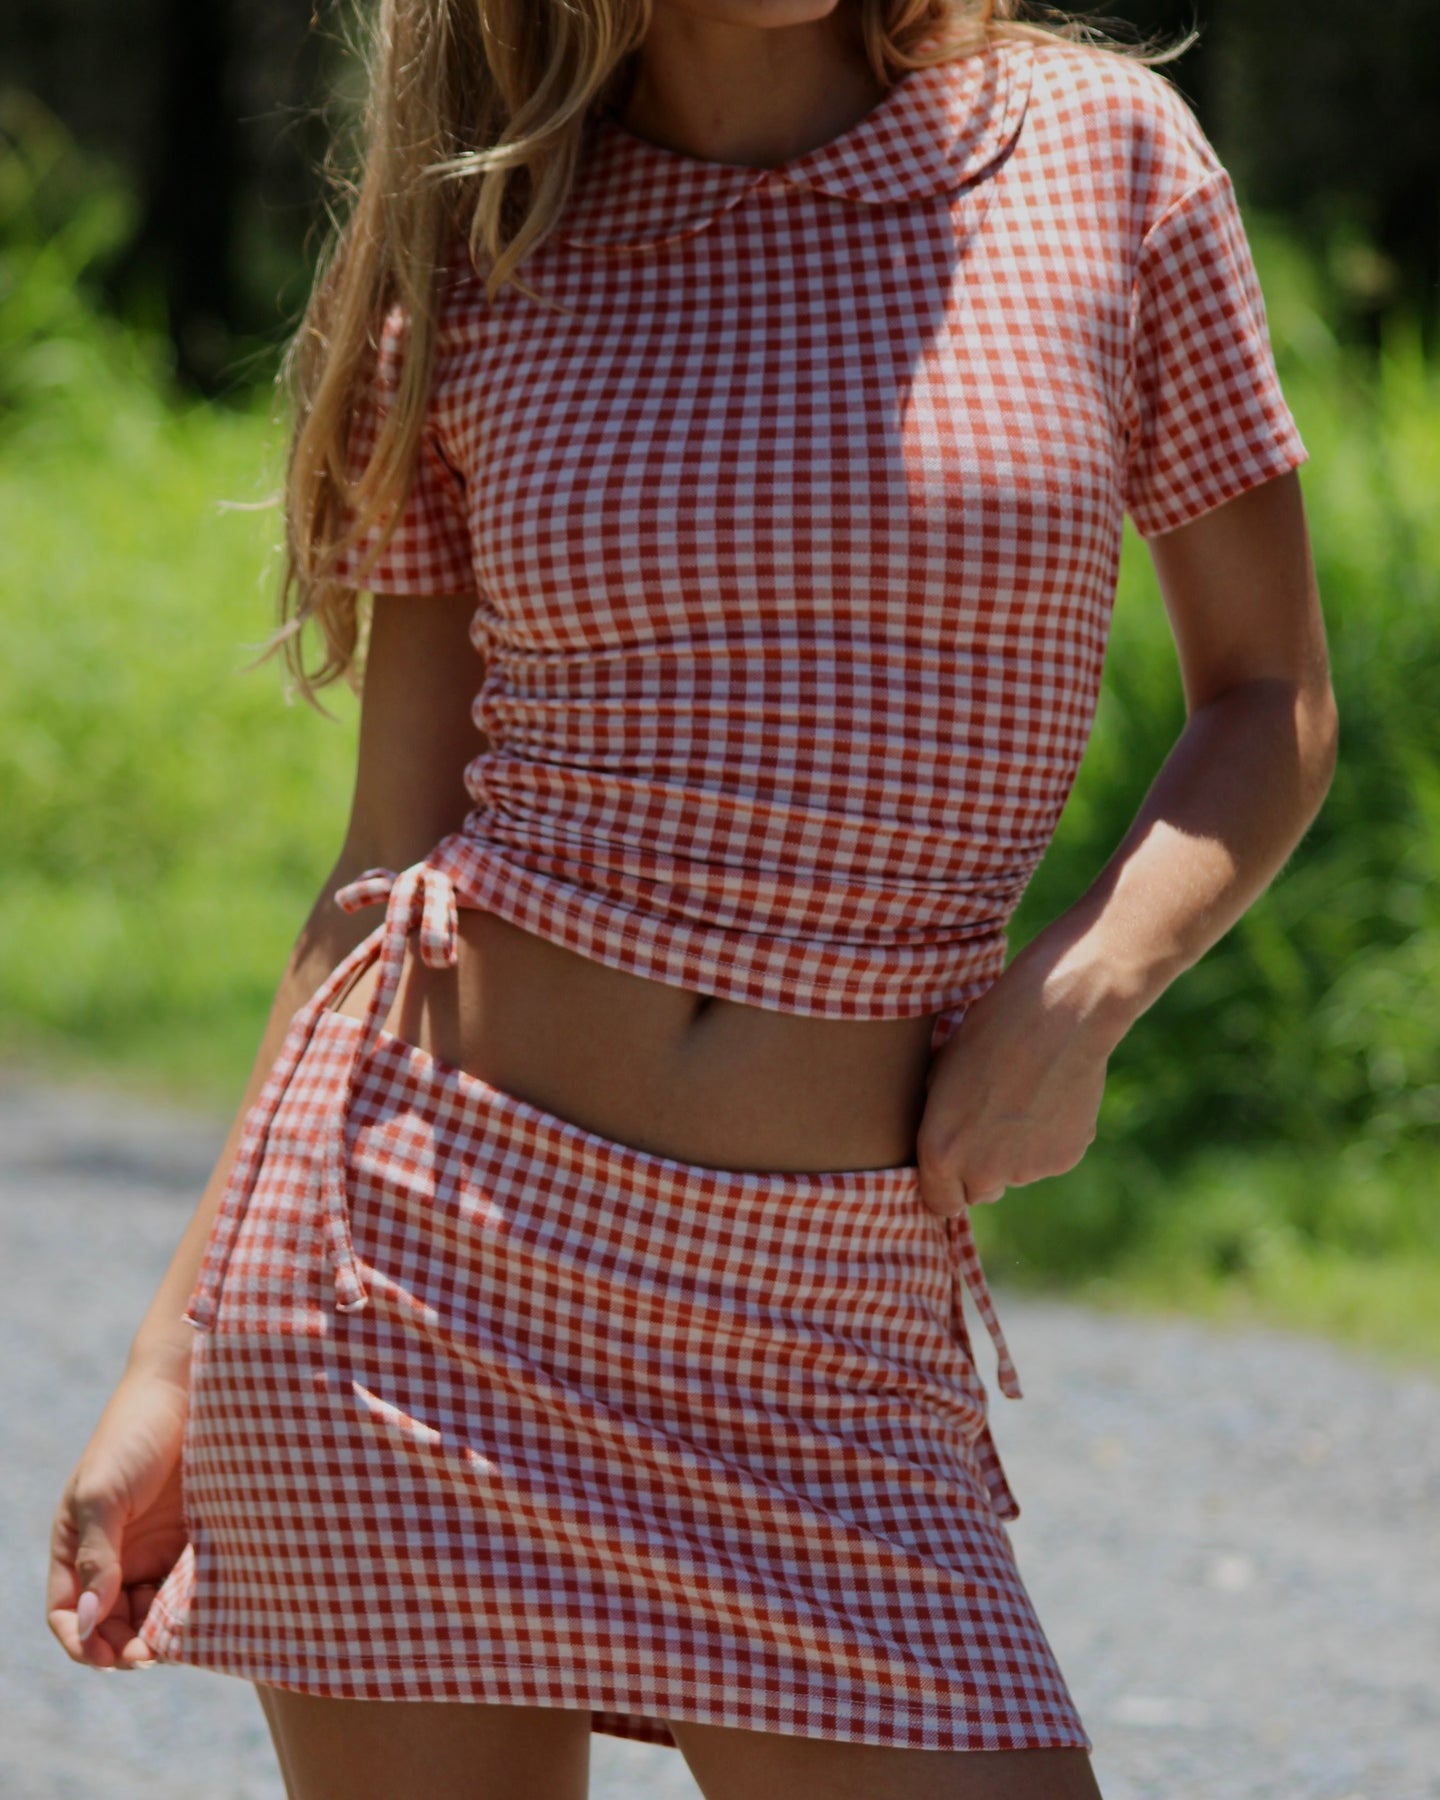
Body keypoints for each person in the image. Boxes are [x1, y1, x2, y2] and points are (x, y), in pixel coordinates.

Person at [46, 1, 1336, 1795]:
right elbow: (387, 856)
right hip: (412, 1277)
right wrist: (171, 1359)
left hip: (827, 1323)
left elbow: (1271, 698)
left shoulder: (1102, 161)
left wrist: (1090, 985)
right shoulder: (480, 227)